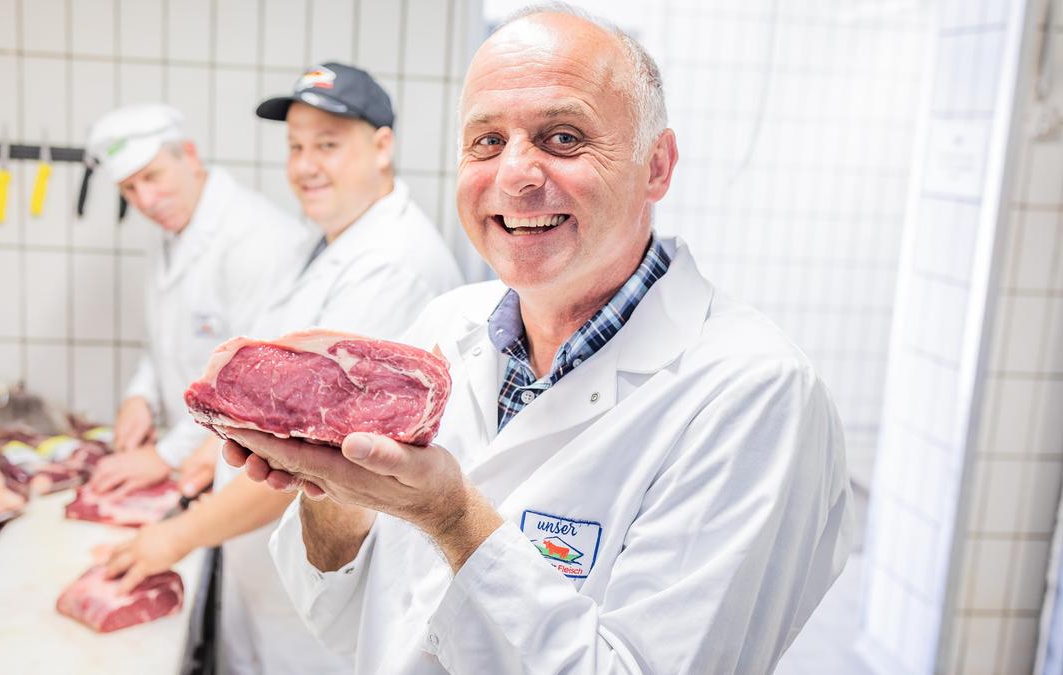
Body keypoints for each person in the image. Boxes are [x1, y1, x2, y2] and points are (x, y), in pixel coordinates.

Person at [223, 7, 855, 674]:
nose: (516, 175)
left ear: (657, 166)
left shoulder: (756, 393)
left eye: (562, 137)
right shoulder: (446, 328)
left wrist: (453, 518)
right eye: (486, 142)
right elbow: (349, 622)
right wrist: (339, 497)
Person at [98, 64, 463, 675]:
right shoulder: (323, 242)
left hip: (322, 598)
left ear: (381, 147)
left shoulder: (391, 266)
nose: (304, 165)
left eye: (327, 144)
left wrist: (174, 538)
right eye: (295, 146)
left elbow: (322, 461)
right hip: (269, 575)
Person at [83, 104, 308, 499]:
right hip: (200, 461)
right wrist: (141, 396)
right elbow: (164, 342)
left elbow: (253, 380)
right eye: (129, 190)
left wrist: (164, 456)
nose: (147, 200)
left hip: (252, 473)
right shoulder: (171, 232)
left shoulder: (256, 239)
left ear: (188, 155)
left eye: (153, 177)